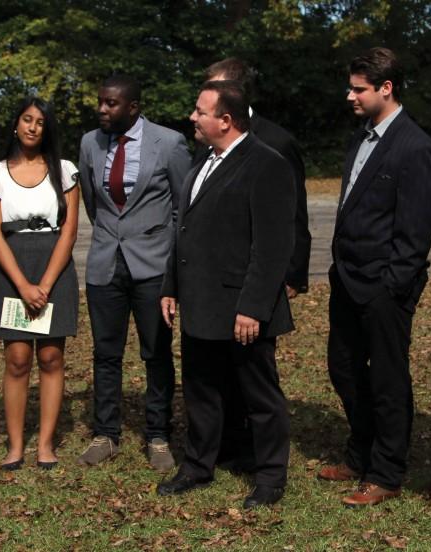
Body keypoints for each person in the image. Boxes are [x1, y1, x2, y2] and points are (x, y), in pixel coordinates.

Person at [157, 80, 295, 509]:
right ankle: (199, 465)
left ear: (226, 120)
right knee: (200, 390)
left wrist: (253, 307)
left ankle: (270, 476)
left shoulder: (266, 164)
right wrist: (170, 287)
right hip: (199, 302)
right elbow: (186, 230)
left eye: (201, 111)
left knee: (259, 395)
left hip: (241, 308)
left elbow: (272, 247)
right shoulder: (204, 161)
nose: (193, 118)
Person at [318, 47, 431, 507]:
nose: (349, 95)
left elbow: (415, 231)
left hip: (385, 289)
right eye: (350, 87)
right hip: (347, 279)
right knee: (343, 368)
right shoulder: (362, 136)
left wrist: (393, 286)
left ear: (386, 89)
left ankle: (386, 471)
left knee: (388, 381)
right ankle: (360, 452)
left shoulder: (415, 146)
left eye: (358, 89)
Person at [199, 57, 312, 472]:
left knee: (253, 370)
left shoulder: (275, 144)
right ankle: (227, 443)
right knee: (220, 371)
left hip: (259, 280)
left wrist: (293, 274)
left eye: (215, 88)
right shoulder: (207, 143)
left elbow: (292, 218)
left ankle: (259, 453)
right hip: (214, 282)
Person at [77, 75, 191, 471]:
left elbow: (182, 207)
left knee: (156, 352)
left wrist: (171, 265)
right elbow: (94, 204)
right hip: (106, 264)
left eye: (111, 104)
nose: (102, 110)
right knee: (105, 354)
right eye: (101, 102)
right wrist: (116, 234)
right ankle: (105, 433)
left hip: (154, 267)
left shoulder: (170, 142)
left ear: (133, 107)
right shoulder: (90, 143)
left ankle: (158, 435)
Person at [0, 97, 80, 471]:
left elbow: (69, 231)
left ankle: (45, 445)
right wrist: (23, 285)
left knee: (51, 356)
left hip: (55, 266)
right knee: (18, 358)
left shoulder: (65, 171)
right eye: (27, 119)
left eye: (40, 122)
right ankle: (15, 446)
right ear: (15, 124)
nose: (33, 127)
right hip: (13, 269)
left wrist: (46, 283)